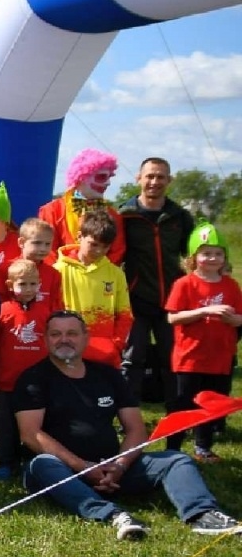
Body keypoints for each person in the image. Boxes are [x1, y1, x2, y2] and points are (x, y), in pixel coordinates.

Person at [16, 311, 238, 540]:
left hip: (114, 468)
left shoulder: (108, 375)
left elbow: (136, 429)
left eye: (72, 333)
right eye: (56, 334)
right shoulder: (33, 378)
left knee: (176, 459)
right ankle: (113, 515)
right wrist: (83, 467)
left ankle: (203, 514)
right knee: (41, 464)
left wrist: (120, 466)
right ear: (45, 339)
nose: (64, 339)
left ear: (85, 337)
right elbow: (31, 435)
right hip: (65, 470)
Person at [119, 157, 195, 410]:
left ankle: (177, 412)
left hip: (173, 302)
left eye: (161, 177)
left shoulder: (179, 216)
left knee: (173, 359)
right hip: (135, 299)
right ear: (138, 179)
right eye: (150, 176)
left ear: (169, 181)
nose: (154, 181)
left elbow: (193, 254)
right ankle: (128, 414)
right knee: (132, 360)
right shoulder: (125, 215)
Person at [163, 223, 242, 461]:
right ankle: (172, 448)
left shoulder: (231, 285)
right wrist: (205, 311)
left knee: (211, 405)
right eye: (206, 253)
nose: (212, 258)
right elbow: (173, 317)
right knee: (182, 404)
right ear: (194, 256)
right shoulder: (184, 283)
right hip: (190, 358)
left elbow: (240, 318)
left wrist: (233, 319)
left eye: (218, 253)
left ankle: (203, 448)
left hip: (220, 357)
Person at [0, 258, 55, 482]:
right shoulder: (2, 312)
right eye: (22, 284)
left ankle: (32, 459)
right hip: (8, 381)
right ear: (10, 285)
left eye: (33, 284)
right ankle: (6, 461)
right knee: (6, 426)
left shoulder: (47, 312)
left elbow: (53, 344)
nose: (28, 289)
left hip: (39, 383)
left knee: (37, 425)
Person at [57, 209, 132, 367]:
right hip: (66, 351)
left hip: (105, 355)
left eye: (105, 247)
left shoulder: (116, 274)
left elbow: (124, 315)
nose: (99, 251)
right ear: (79, 237)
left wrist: (116, 345)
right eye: (94, 244)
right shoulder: (58, 270)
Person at [38, 148, 126, 263]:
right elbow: (47, 251)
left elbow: (116, 252)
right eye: (101, 177)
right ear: (81, 177)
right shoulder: (51, 211)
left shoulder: (113, 216)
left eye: (109, 177)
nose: (108, 183)